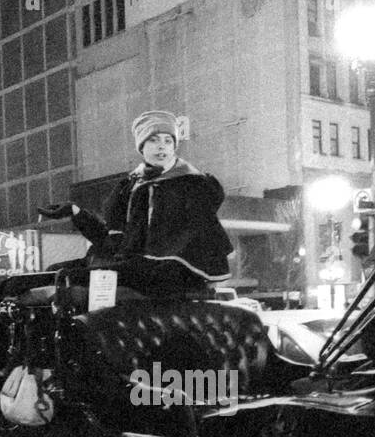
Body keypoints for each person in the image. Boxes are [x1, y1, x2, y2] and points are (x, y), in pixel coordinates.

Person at [24, 109, 233, 300]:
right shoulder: (132, 185)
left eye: (168, 141)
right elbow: (111, 242)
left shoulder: (190, 184)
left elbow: (201, 236)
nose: (161, 146)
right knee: (50, 273)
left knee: (70, 278)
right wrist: (76, 213)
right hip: (136, 266)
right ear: (141, 146)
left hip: (173, 271)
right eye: (153, 140)